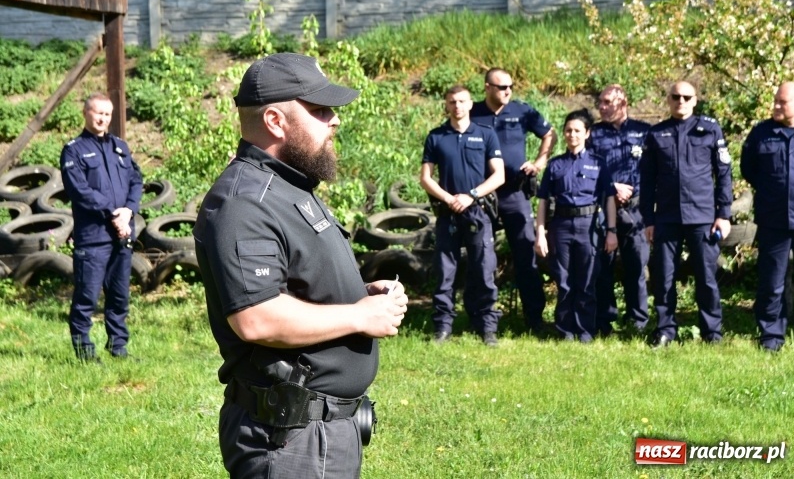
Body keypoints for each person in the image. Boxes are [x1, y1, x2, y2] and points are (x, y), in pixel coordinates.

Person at [194, 53, 408, 478]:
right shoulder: (244, 201)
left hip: (319, 432)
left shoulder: (288, 187)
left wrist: (359, 295)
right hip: (290, 440)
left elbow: (294, 285)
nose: (335, 120)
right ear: (275, 120)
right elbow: (256, 318)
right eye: (320, 110)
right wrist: (358, 315)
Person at [640, 81, 733, 347]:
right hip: (667, 218)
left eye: (686, 97)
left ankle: (711, 332)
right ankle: (666, 330)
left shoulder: (710, 129)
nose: (680, 101)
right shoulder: (656, 134)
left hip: (702, 217)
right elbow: (647, 181)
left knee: (706, 277)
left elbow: (724, 173)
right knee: (664, 276)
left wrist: (723, 214)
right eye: (675, 96)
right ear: (668, 100)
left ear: (695, 100)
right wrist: (648, 220)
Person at [470, 68, 555, 330]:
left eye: (510, 86)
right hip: (483, 195)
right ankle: (481, 318)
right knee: (480, 256)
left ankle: (534, 318)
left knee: (525, 254)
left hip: (515, 193)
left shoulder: (521, 111)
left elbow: (549, 133)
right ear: (487, 88)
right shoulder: (472, 112)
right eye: (501, 87)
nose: (508, 91)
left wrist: (540, 161)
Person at [420, 85, 505, 346]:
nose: (457, 106)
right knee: (445, 273)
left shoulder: (486, 134)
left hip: (478, 212)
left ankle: (487, 327)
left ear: (470, 104)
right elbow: (425, 178)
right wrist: (449, 199)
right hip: (448, 214)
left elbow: (499, 175)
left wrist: (471, 196)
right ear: (446, 105)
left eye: (462, 101)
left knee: (484, 271)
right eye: (452, 102)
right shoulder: (436, 136)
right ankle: (443, 327)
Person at [60, 93, 143, 362]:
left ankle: (118, 348)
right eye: (97, 113)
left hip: (121, 235)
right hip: (93, 237)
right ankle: (85, 352)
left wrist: (129, 209)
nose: (102, 119)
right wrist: (114, 214)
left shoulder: (120, 147)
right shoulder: (73, 150)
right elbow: (80, 191)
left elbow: (136, 180)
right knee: (87, 297)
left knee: (119, 297)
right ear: (85, 113)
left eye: (107, 114)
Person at [534, 109, 618, 342]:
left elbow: (609, 199)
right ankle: (565, 331)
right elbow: (542, 201)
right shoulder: (555, 165)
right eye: (568, 130)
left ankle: (585, 331)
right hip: (560, 226)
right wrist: (540, 233)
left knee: (587, 280)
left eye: (577, 131)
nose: (572, 135)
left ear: (587, 133)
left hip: (588, 226)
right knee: (564, 280)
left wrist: (611, 231)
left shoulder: (598, 164)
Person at [587, 85, 651, 335]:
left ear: (622, 103)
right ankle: (605, 319)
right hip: (605, 208)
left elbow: (654, 170)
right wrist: (612, 186)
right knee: (603, 265)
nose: (601, 107)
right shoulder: (593, 134)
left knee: (637, 265)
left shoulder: (644, 132)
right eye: (600, 103)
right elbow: (587, 168)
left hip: (636, 211)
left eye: (607, 103)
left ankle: (638, 320)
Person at [741, 81, 794, 352]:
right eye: (775, 100)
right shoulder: (761, 133)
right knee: (771, 281)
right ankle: (771, 335)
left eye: (782, 102)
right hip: (773, 219)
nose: (775, 105)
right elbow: (748, 169)